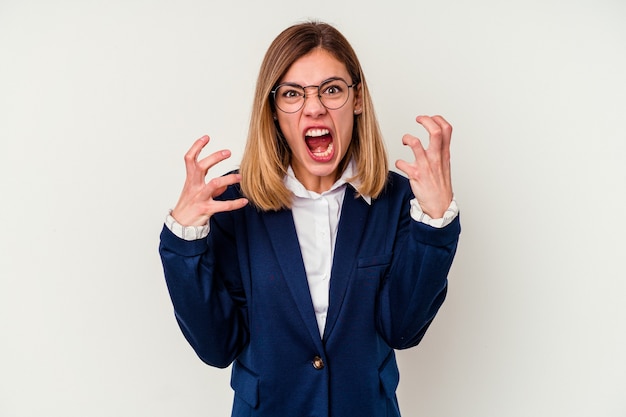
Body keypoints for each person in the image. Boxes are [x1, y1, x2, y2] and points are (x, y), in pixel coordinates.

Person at [159, 20, 460, 417]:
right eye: (292, 93)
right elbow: (218, 347)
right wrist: (185, 240)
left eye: (332, 89)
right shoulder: (232, 206)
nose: (314, 106)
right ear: (273, 110)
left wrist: (433, 223)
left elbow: (402, 329)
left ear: (356, 99)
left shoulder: (401, 201)